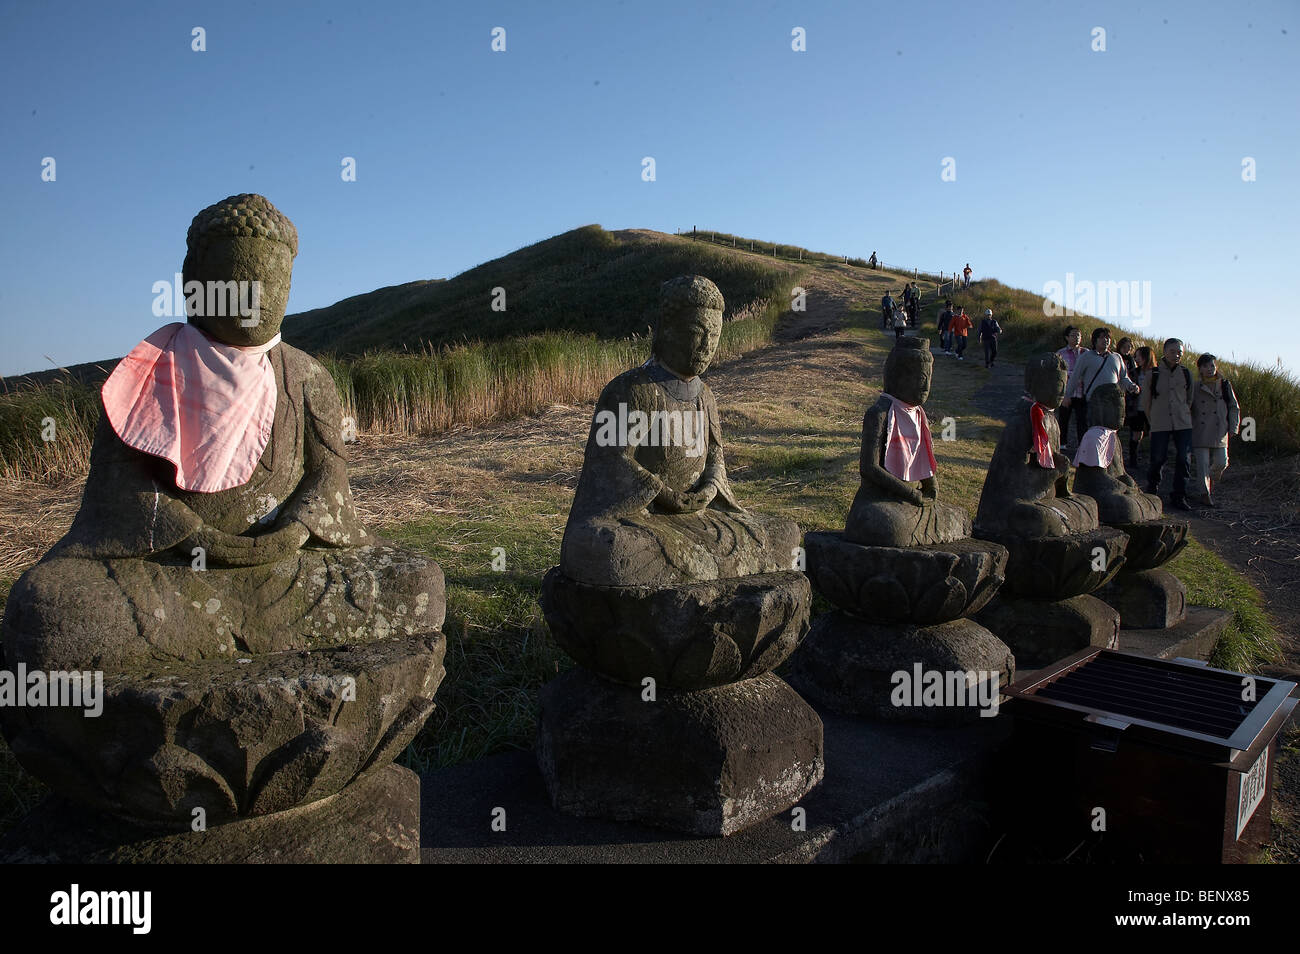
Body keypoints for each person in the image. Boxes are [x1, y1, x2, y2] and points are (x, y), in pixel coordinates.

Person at [1141, 337, 1196, 511]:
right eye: (1172, 351)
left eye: (1179, 352)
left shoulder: (1186, 373)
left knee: (1184, 459)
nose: (1176, 355)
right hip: (1159, 422)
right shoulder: (1153, 374)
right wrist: (1152, 421)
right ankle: (1152, 491)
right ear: (1164, 352)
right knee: (1158, 458)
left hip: (1183, 423)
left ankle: (1179, 496)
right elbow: (1146, 402)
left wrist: (1184, 413)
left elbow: (1190, 399)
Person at [1189, 353, 1241, 508]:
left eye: (1212, 365)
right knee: (1202, 465)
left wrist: (1233, 427)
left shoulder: (1224, 384)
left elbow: (1234, 407)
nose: (1209, 369)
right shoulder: (1195, 386)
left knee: (1222, 462)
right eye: (1205, 366)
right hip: (1200, 429)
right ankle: (1204, 494)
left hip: (1220, 430)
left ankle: (1209, 480)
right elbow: (1189, 405)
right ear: (1200, 369)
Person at [1054, 326, 1087, 451]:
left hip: (1082, 392)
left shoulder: (1086, 353)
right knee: (1064, 419)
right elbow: (1057, 374)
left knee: (1082, 420)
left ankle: (1082, 446)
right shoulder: (1060, 353)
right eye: (1073, 335)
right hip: (1066, 392)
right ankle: (1062, 444)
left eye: (1078, 335)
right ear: (1067, 337)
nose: (1076, 337)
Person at [1125, 345, 1153, 469]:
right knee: (1136, 434)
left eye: (1139, 356)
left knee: (1154, 434)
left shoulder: (1156, 372)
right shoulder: (1134, 373)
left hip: (1152, 409)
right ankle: (1133, 460)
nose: (1136, 359)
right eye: (1135, 356)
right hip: (1136, 408)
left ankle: (1154, 461)